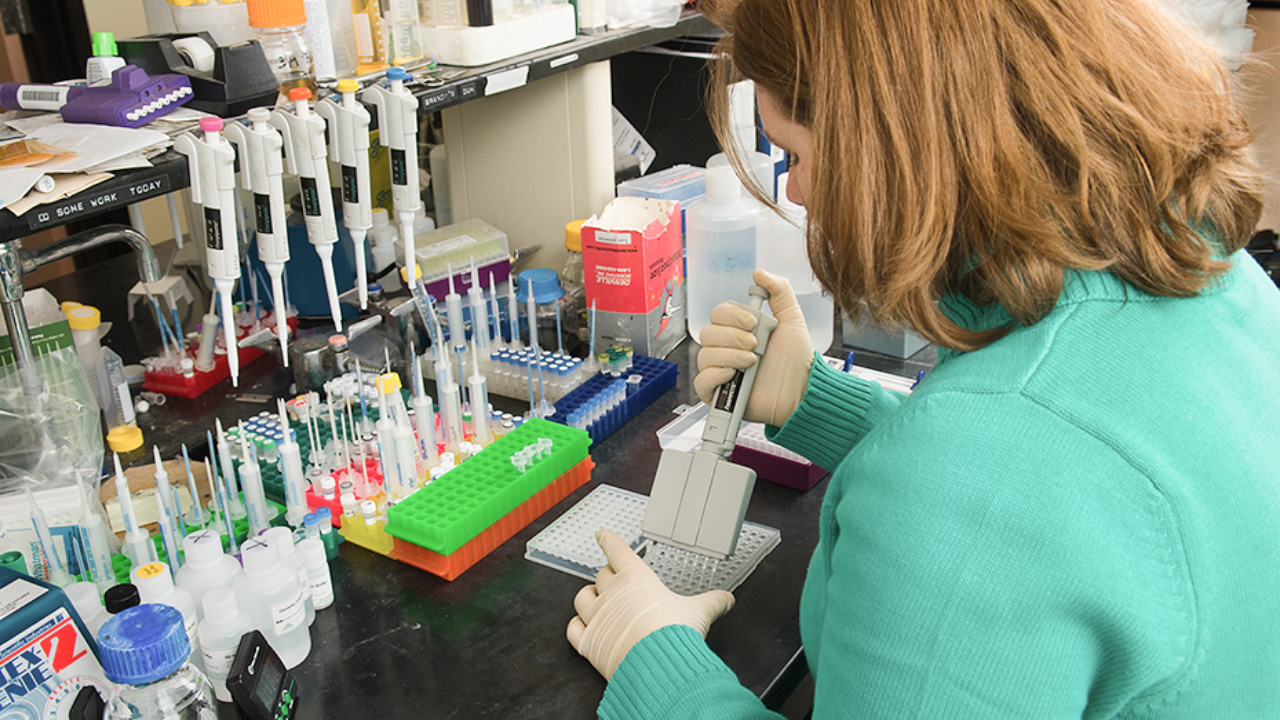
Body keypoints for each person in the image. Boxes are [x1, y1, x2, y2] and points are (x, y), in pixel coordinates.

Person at [566, 0, 1280, 717]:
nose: (803, 193)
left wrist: (658, 663)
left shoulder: (967, 496)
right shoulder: (1215, 271)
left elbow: (992, 495)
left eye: (801, 156)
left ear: (897, 146)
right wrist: (817, 402)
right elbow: (1058, 473)